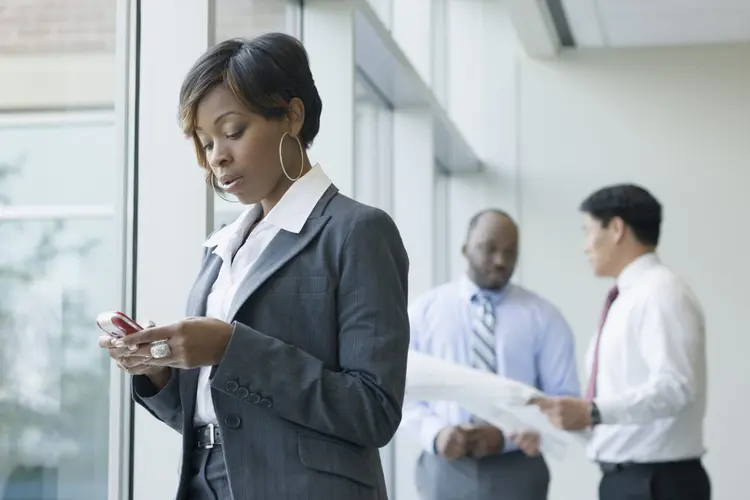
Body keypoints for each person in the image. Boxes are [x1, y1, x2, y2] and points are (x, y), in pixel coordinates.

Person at [97, 33, 410, 500]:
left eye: (233, 131)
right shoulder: (223, 247)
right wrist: (158, 370)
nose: (216, 156)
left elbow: (373, 411)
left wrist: (230, 347)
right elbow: (209, 411)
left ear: (292, 115)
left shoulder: (357, 231)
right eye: (205, 142)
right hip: (208, 483)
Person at [532, 184, 710, 500]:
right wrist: (557, 424)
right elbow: (621, 407)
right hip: (629, 480)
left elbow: (676, 387)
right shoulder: (627, 297)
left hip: (656, 484)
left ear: (616, 229)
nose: (584, 246)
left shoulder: (662, 292)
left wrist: (593, 412)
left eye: (588, 231)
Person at [402, 209, 580, 500]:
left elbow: (563, 399)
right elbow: (401, 392)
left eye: (510, 252)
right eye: (490, 249)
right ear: (465, 248)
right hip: (444, 467)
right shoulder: (424, 312)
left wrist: (505, 435)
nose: (501, 261)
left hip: (517, 467)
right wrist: (436, 434)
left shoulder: (544, 317)